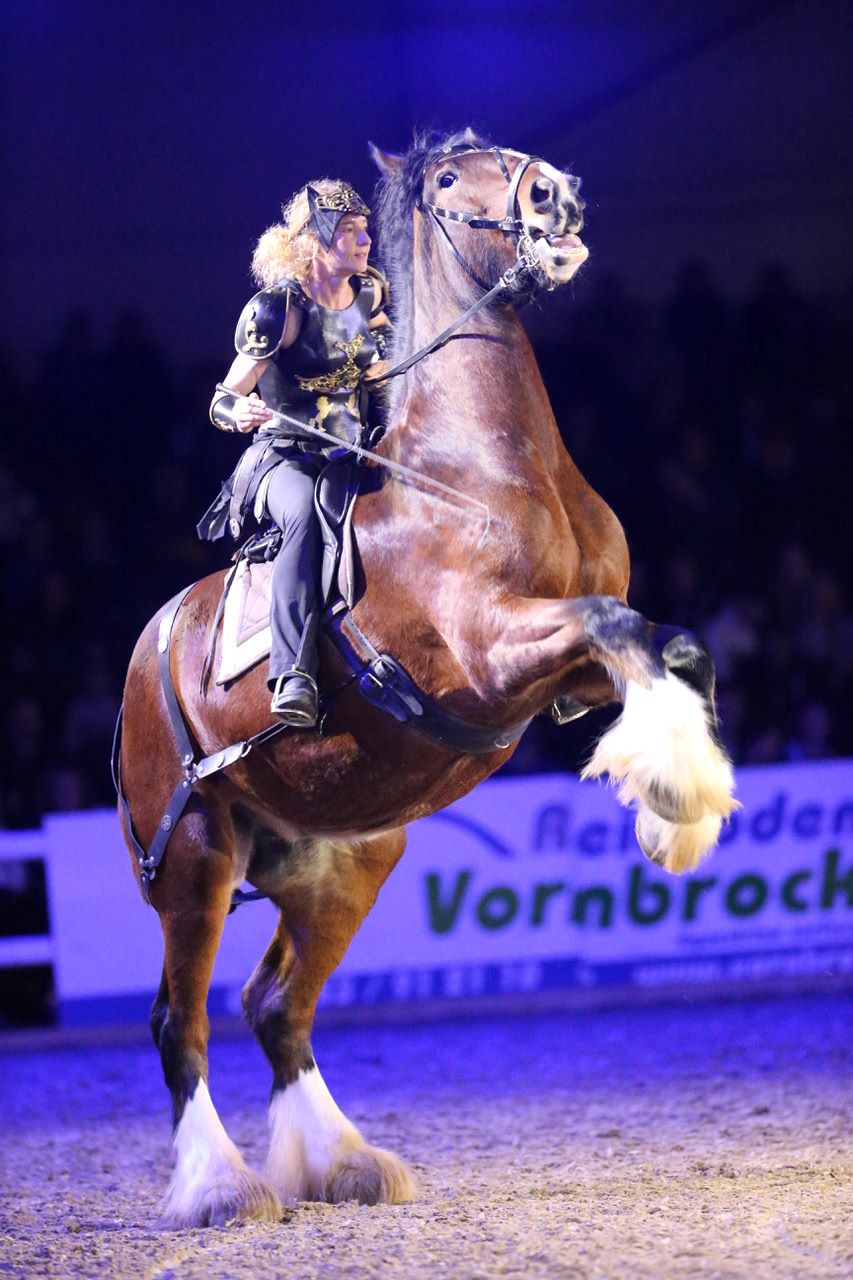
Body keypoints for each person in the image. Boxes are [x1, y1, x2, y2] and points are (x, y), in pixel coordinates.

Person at [198, 180, 391, 727]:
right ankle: (293, 674)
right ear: (314, 243)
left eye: (364, 229)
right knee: (303, 514)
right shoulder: (279, 310)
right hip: (283, 458)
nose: (365, 241)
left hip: (351, 454)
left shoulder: (370, 294)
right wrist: (239, 413)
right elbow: (222, 399)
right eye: (349, 231)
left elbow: (379, 369)